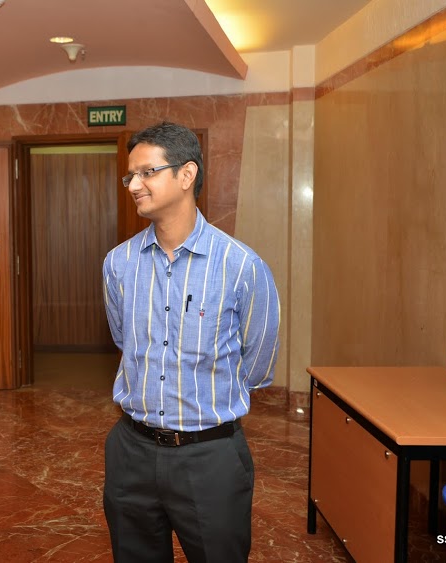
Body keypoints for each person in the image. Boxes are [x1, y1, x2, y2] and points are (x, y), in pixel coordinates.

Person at [102, 121, 280, 562]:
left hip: (210, 458)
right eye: (130, 176)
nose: (134, 186)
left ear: (186, 175)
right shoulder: (119, 263)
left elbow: (256, 365)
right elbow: (126, 341)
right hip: (132, 453)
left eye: (147, 172)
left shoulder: (241, 266)